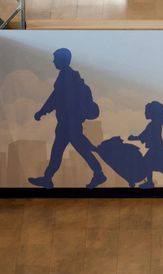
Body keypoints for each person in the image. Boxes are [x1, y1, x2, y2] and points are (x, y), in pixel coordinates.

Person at [28, 48, 107, 190]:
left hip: (69, 124)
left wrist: (42, 112)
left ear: (62, 60)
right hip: (67, 123)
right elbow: (56, 98)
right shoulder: (66, 76)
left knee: (70, 151)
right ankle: (48, 178)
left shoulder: (67, 77)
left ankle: (98, 174)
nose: (53, 61)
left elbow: (59, 99)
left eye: (55, 58)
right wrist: (43, 111)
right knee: (61, 151)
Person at [128, 101, 163, 189]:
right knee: (156, 166)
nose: (145, 113)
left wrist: (136, 138)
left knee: (147, 165)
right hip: (156, 148)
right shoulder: (153, 124)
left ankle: (151, 183)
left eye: (146, 111)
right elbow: (144, 135)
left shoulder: (155, 124)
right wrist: (135, 137)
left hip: (156, 149)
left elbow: (147, 135)